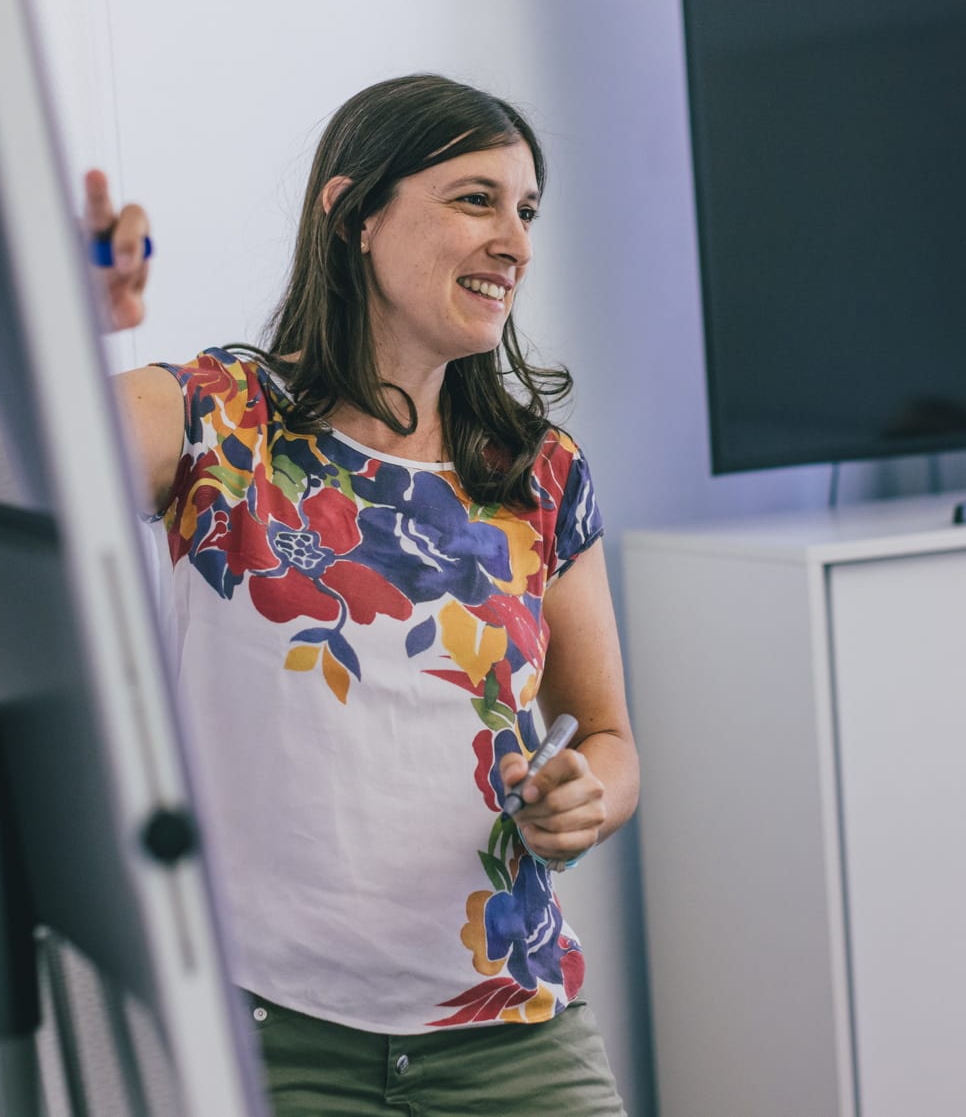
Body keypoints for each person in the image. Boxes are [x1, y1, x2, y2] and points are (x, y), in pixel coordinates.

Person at [97, 74, 637, 1115]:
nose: (515, 240)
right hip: (274, 1036)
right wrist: (72, 319)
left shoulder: (540, 473)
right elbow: (36, 458)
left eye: (526, 211)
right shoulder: (223, 421)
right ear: (352, 214)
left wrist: (587, 798)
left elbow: (609, 738)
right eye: (476, 199)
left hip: (511, 1027)